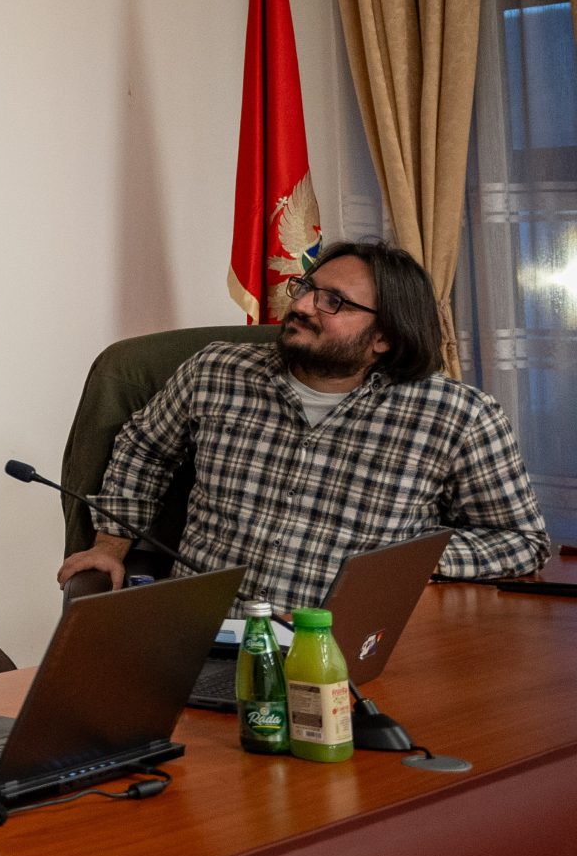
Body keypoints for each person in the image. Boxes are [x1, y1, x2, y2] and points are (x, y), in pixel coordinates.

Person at [57, 240, 548, 609]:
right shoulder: (217, 370)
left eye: (334, 301)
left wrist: (405, 561)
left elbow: (520, 541)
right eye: (307, 288)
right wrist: (110, 546)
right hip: (205, 634)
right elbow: (144, 449)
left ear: (383, 338)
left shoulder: (458, 416)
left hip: (340, 651)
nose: (300, 305)